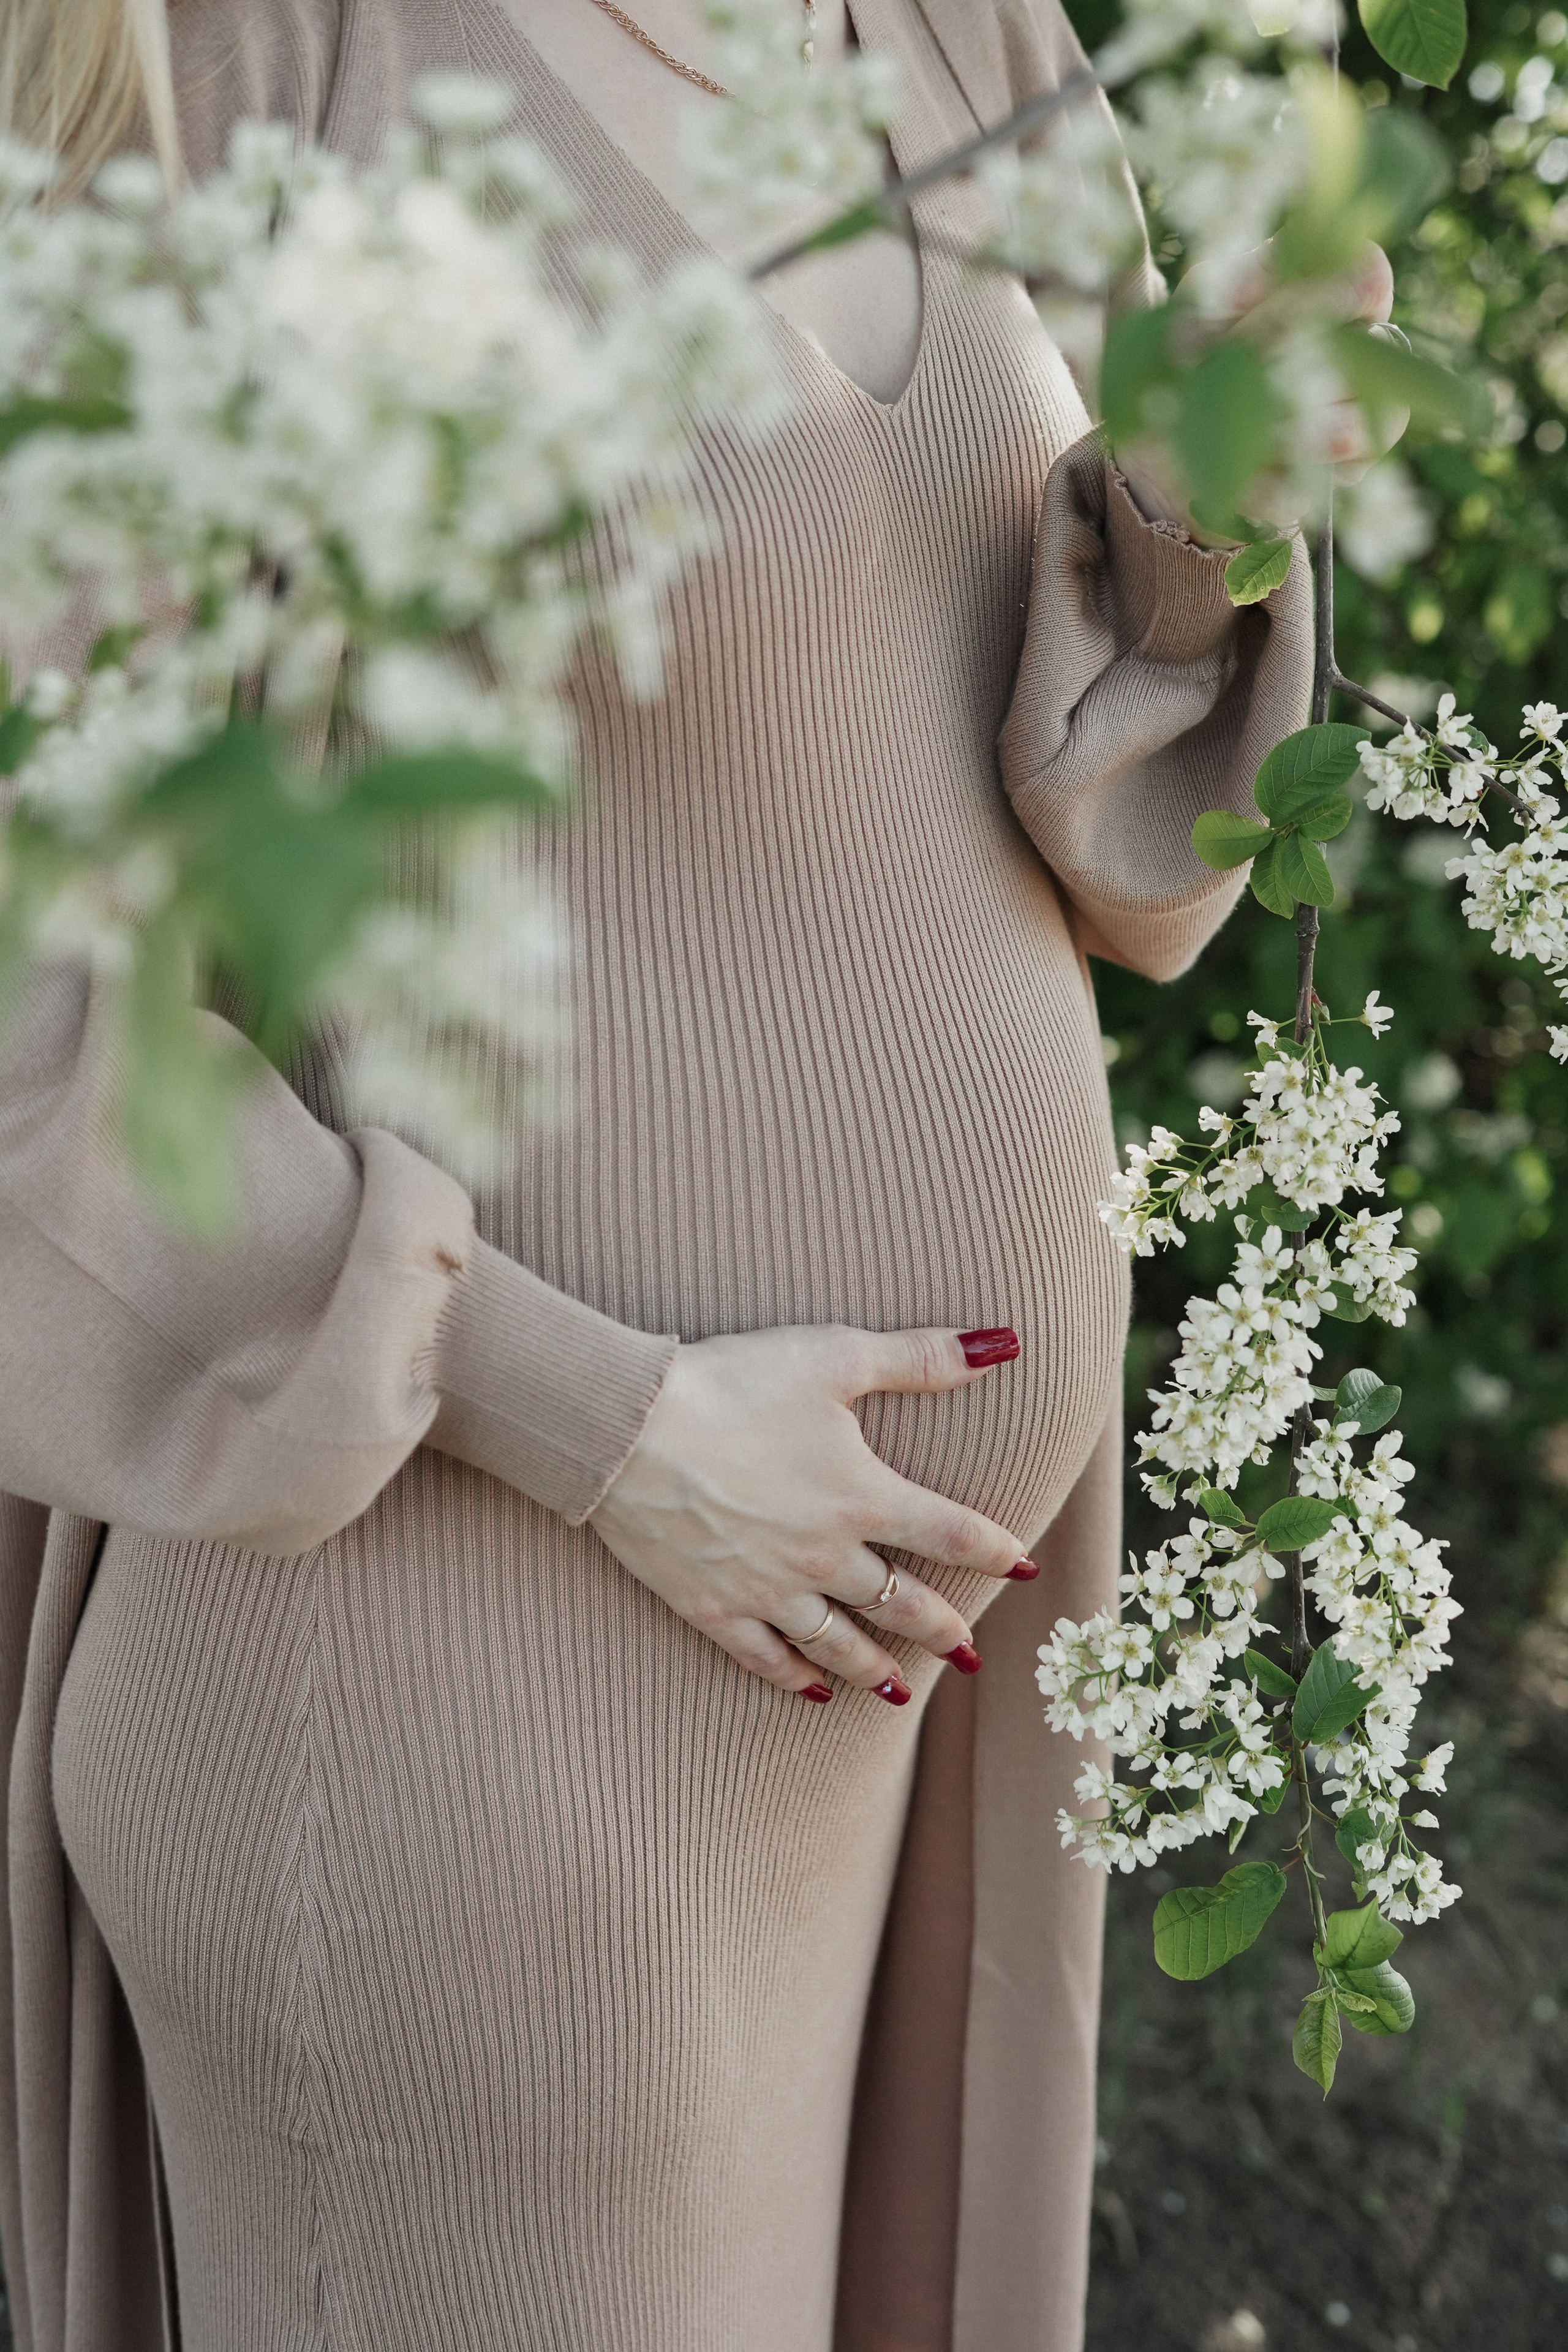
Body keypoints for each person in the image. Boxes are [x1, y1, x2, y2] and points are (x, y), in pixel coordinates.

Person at [0, 2, 1318, 2346]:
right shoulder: (247, 57)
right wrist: (601, 1423)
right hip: (464, 1711)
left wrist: (1224, 483)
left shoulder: (951, 19)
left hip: (856, 1714)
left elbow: (1086, 826)